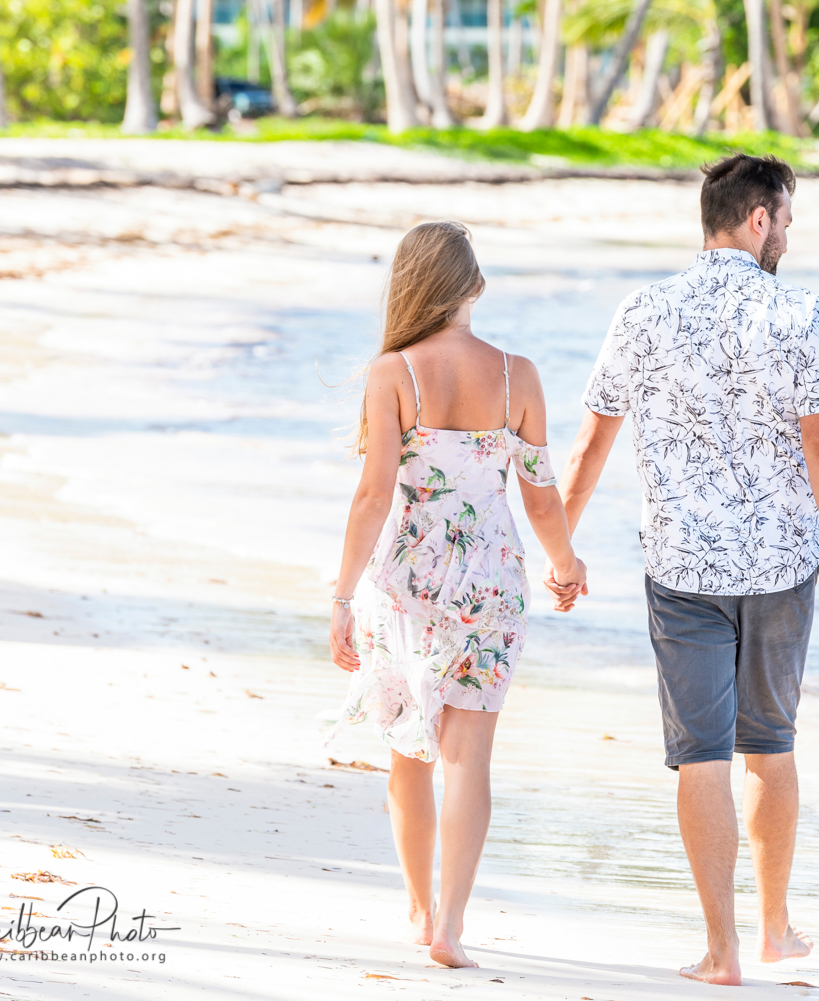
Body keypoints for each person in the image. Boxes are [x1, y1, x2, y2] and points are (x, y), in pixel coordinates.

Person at [548, 154, 819, 986]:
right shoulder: (800, 312)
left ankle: (721, 950)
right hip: (782, 566)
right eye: (785, 220)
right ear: (758, 219)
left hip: (682, 567)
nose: (787, 235)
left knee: (701, 756)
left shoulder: (642, 311)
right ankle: (775, 927)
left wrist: (560, 551)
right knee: (771, 745)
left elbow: (591, 444)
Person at [323, 221, 586, 970]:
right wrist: (565, 564)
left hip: (407, 576)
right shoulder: (517, 375)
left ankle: (416, 909)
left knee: (410, 750)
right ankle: (451, 924)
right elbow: (541, 496)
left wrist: (342, 595)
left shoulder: (393, 373)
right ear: (475, 286)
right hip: (491, 576)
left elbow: (374, 494)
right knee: (470, 755)